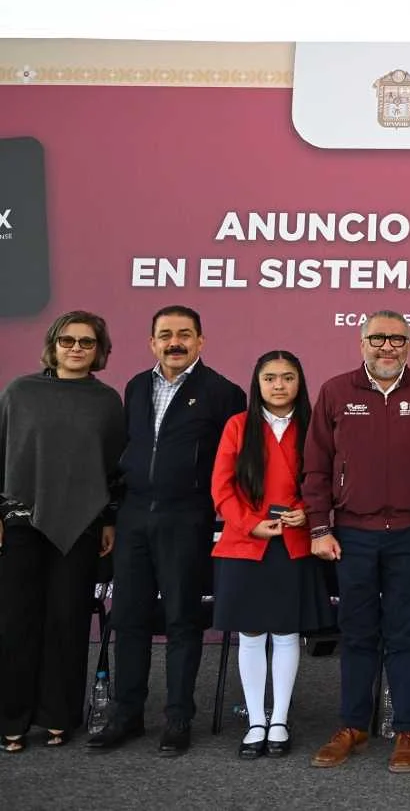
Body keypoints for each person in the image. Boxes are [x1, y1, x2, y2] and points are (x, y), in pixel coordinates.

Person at [87, 305, 245, 756]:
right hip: (134, 515)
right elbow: (126, 453)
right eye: (166, 335)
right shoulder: (137, 387)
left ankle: (178, 717)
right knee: (128, 617)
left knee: (181, 619)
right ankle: (126, 715)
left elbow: (233, 466)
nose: (175, 342)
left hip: (186, 518)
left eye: (185, 334)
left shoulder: (223, 393)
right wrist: (113, 513)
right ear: (152, 342)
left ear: (201, 341)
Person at [303, 312, 410, 773]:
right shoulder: (335, 391)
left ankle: (407, 729)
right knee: (358, 632)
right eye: (378, 338)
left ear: (409, 344)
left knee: (403, 632)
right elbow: (316, 466)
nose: (387, 346)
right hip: (353, 534)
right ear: (361, 342)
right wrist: (319, 528)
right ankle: (353, 726)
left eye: (397, 339)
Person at [0, 311, 124, 751]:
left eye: (87, 342)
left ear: (99, 350)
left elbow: (114, 468)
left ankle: (58, 715)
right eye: (67, 340)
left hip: (82, 526)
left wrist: (109, 519)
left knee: (68, 620)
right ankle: (11, 720)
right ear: (53, 345)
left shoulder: (107, 401)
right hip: (20, 522)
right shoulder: (20, 392)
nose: (76, 348)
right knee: (16, 622)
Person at [210, 350, 333, 760]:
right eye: (270, 378)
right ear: (257, 383)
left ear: (300, 382)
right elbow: (221, 489)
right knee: (250, 634)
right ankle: (255, 722)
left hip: (294, 543)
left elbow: (325, 480)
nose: (279, 385)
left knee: (285, 633)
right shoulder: (238, 425)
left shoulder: (313, 425)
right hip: (246, 543)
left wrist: (308, 511)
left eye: (288, 377)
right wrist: (250, 524)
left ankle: (278, 718)